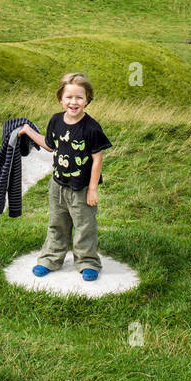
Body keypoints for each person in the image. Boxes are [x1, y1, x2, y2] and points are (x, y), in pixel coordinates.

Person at [18, 72, 112, 282]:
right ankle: (51, 258)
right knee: (57, 223)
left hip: (81, 188)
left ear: (87, 100)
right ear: (61, 99)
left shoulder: (91, 128)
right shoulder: (56, 121)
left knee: (84, 226)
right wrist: (27, 131)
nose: (74, 102)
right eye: (69, 97)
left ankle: (87, 262)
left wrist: (92, 189)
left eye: (79, 97)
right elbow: (50, 146)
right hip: (58, 185)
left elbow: (97, 159)